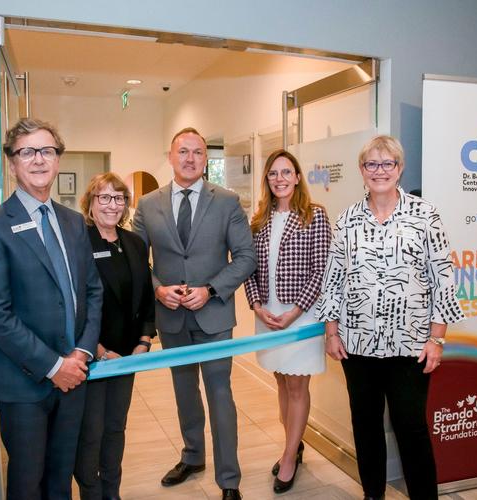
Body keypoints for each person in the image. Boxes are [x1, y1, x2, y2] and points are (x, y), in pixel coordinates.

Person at [316, 135, 465, 500]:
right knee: (365, 426)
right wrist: (331, 332)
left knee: (410, 428)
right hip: (358, 346)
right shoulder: (347, 219)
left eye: (387, 164)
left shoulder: (424, 215)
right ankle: (372, 495)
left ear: (399, 169)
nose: (379, 171)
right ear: (361, 171)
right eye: (371, 164)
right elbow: (333, 278)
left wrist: (437, 339)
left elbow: (443, 279)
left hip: (411, 346)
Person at [0, 118, 103, 500]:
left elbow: (93, 293)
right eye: (27, 152)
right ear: (12, 164)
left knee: (61, 480)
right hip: (24, 384)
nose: (38, 159)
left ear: (58, 160)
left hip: (74, 378)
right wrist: (53, 366)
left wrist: (79, 353)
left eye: (47, 150)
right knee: (28, 485)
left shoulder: (75, 222)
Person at [132, 127, 256, 500]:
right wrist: (156, 288)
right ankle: (193, 456)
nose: (190, 158)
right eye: (183, 151)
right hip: (171, 317)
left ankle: (229, 479)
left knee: (220, 394)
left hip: (214, 315)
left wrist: (211, 290)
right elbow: (137, 261)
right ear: (170, 157)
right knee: (184, 391)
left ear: (206, 159)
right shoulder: (148, 204)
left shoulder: (227, 201)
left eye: (198, 152)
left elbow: (246, 257)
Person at [243, 149, 331, 494]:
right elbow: (248, 266)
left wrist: (295, 312)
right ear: (267, 180)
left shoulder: (315, 216)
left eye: (286, 172)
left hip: (301, 316)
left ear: (297, 177)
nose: (279, 179)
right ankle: (293, 443)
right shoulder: (259, 220)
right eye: (273, 174)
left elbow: (321, 270)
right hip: (268, 316)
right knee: (281, 383)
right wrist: (256, 306)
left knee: (297, 387)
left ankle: (289, 457)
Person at [74, 173, 156, 500]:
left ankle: (112, 492)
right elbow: (74, 303)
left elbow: (146, 297)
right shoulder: (78, 242)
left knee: (115, 429)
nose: (112, 205)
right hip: (92, 356)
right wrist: (98, 349)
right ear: (91, 204)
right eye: (104, 198)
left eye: (119, 198)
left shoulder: (134, 242)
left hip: (126, 357)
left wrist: (144, 340)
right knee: (90, 433)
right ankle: (90, 494)